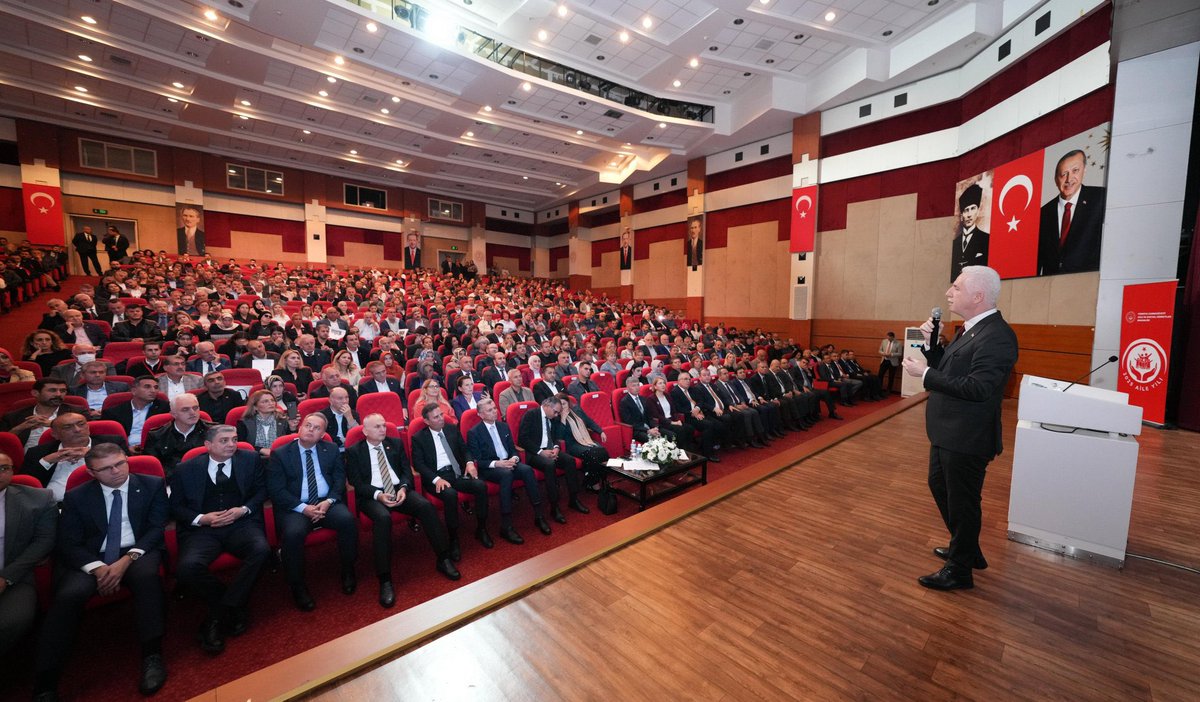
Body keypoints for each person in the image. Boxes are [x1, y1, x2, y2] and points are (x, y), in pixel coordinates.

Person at [902, 265, 1018, 591]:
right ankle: (966, 548)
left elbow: (977, 387)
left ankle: (959, 570)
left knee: (963, 501)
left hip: (967, 436)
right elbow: (950, 368)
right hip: (948, 432)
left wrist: (925, 375)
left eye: (956, 287)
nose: (948, 293)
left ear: (977, 296)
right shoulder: (970, 329)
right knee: (942, 489)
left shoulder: (997, 336)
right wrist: (930, 345)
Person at [32, 444, 170, 699]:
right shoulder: (77, 497)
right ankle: (46, 680)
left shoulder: (151, 485)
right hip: (91, 557)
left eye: (120, 463)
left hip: (137, 550)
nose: (116, 471)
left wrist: (126, 560)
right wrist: (98, 569)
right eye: (106, 468)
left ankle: (152, 655)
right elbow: (69, 542)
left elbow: (155, 528)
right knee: (69, 595)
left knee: (147, 579)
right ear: (92, 473)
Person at [169, 426, 269, 653]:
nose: (231, 445)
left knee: (261, 550)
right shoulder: (186, 469)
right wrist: (202, 519)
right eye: (224, 441)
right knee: (187, 567)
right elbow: (175, 506)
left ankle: (219, 612)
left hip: (240, 523)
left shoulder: (250, 459)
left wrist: (243, 509)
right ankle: (231, 602)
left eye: (234, 439)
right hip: (205, 529)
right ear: (208, 445)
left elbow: (261, 492)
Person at [346, 414, 460, 608]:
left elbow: (406, 471)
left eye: (384, 425)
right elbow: (356, 483)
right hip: (373, 496)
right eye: (377, 427)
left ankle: (443, 558)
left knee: (425, 506)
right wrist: (378, 495)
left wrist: (405, 488)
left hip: (399, 489)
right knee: (383, 519)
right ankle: (385, 579)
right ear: (365, 431)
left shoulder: (395, 444)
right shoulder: (354, 451)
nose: (383, 429)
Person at [266, 413, 359, 611]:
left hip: (327, 502)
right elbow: (276, 490)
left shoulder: (331, 449)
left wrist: (329, 501)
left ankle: (348, 570)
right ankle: (297, 585)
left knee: (348, 521)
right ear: (299, 427)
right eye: (308, 425)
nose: (311, 430)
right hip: (296, 507)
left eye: (317, 428)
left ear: (323, 434)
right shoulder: (280, 454)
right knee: (292, 534)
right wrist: (304, 508)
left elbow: (339, 479)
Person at [411, 404, 492, 554]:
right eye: (436, 417)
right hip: (437, 477)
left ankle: (481, 528)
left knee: (480, 486)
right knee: (450, 495)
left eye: (441, 414)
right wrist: (436, 479)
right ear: (426, 421)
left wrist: (469, 463)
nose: (441, 419)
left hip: (457, 473)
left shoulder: (451, 429)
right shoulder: (419, 438)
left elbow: (464, 449)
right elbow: (419, 464)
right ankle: (453, 537)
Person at [465, 398, 548, 544]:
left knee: (527, 470)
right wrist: (498, 464)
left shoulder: (503, 426)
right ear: (481, 414)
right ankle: (506, 525)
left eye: (495, 408)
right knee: (506, 474)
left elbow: (513, 450)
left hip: (509, 463)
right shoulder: (474, 432)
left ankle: (539, 516)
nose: (494, 412)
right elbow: (478, 460)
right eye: (490, 410)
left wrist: (514, 459)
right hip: (491, 468)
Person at [0, 451, 57, 656]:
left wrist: (6, 578)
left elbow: (44, 541)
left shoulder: (38, 499)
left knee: (13, 620)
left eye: (4, 468)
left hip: (15, 575)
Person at [22, 410, 127, 501]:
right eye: (68, 427)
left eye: (81, 424)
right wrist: (46, 462)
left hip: (102, 500)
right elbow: (25, 484)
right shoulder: (39, 452)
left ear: (88, 427)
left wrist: (91, 453)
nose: (77, 430)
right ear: (55, 434)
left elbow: (131, 468)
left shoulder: (113, 443)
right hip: (54, 505)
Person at [517, 395, 588, 524]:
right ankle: (554, 507)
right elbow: (523, 439)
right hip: (534, 453)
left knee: (569, 461)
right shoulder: (531, 415)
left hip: (550, 450)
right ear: (547, 406)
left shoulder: (552, 417)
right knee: (550, 465)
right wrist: (540, 452)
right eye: (555, 411)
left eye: (558, 413)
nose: (556, 415)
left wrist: (556, 447)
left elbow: (555, 436)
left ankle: (574, 499)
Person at [1037, 149, 1107, 276]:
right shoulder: (1043, 213)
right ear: (1055, 179)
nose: (1069, 179)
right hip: (1050, 289)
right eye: (1064, 174)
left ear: (1084, 171)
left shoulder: (1101, 199)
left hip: (1089, 285)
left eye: (1075, 171)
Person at [146, 393, 215, 478]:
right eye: (185, 409)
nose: (192, 413)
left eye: (195, 408)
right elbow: (153, 468)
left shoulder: (214, 431)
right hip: (170, 481)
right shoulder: (156, 435)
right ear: (173, 414)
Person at [553, 393, 609, 490]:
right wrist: (563, 419)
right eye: (560, 405)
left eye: (564, 404)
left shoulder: (577, 410)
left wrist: (600, 431)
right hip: (571, 444)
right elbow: (559, 437)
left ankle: (595, 479)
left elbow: (589, 421)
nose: (562, 407)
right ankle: (593, 483)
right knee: (593, 453)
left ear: (568, 403)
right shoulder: (556, 418)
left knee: (602, 451)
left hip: (585, 440)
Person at [101, 375, 169, 450]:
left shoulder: (165, 408)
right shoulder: (113, 412)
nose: (153, 390)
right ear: (134, 391)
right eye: (147, 387)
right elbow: (108, 439)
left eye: (156, 387)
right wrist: (126, 449)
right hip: (122, 450)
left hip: (155, 449)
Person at [0, 377, 68, 449]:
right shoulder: (13, 416)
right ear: (35, 393)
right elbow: (2, 442)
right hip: (26, 458)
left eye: (62, 391)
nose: (58, 394)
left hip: (64, 457)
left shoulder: (77, 412)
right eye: (52, 390)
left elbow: (79, 435)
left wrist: (53, 424)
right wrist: (19, 428)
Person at [237, 389, 291, 461]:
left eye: (272, 400)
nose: (271, 403)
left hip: (279, 459)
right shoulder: (244, 423)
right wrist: (260, 450)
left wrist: (293, 428)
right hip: (253, 460)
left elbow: (290, 444)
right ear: (255, 406)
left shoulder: (283, 420)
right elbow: (242, 447)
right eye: (265, 401)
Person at [950, 183, 989, 281]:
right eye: (966, 210)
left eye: (972, 208)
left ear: (978, 211)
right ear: (962, 215)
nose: (969, 215)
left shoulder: (986, 239)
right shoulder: (955, 244)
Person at [320, 386, 360, 452]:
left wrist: (349, 417)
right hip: (330, 450)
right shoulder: (322, 416)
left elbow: (357, 435)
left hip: (350, 449)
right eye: (340, 398)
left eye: (346, 397)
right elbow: (324, 437)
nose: (345, 401)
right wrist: (343, 441)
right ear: (330, 400)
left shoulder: (353, 414)